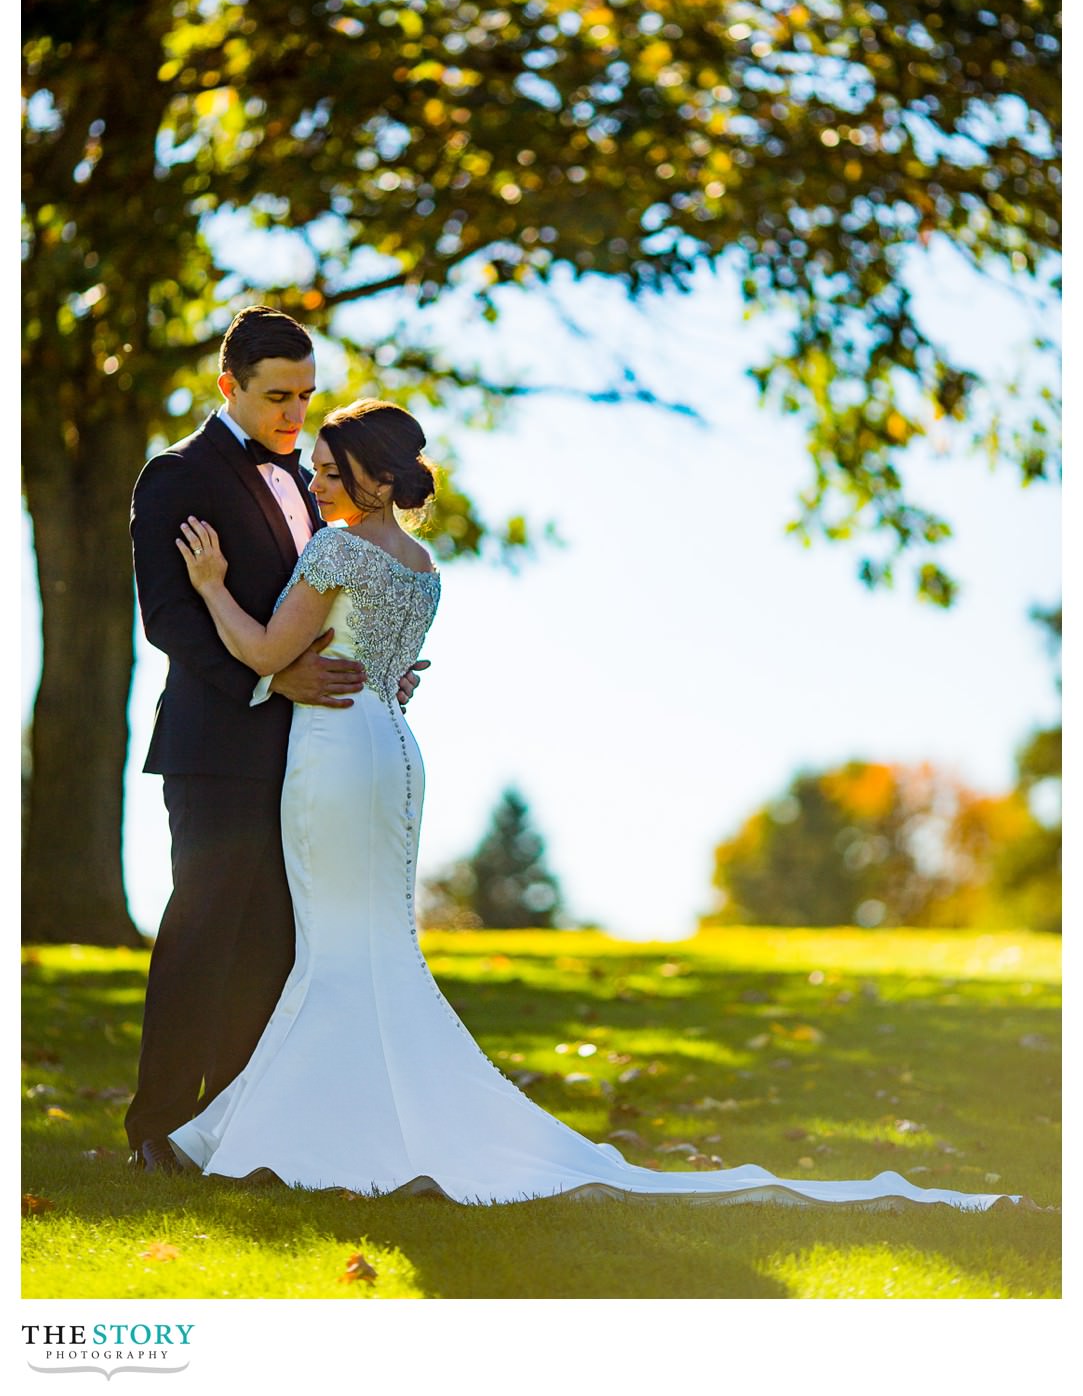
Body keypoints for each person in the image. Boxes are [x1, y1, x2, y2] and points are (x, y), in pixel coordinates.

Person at [167, 398, 1028, 1213]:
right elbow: (391, 671)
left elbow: (263, 650)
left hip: (333, 751)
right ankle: (327, 1124)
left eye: (327, 472)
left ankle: (300, 1135)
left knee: (334, 949)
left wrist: (211, 586)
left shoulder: (335, 554)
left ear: (378, 483)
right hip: (392, 752)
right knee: (375, 947)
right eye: (313, 470)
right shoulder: (424, 570)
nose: (314, 485)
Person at [125, 307, 424, 1173]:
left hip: (311, 752)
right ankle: (158, 1131)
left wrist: (376, 662)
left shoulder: (309, 480)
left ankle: (239, 1129)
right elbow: (169, 618)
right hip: (215, 745)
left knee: (279, 944)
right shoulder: (175, 476)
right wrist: (267, 678)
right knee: (206, 930)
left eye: (305, 395)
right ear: (230, 388)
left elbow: (328, 610)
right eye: (276, 397)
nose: (294, 415)